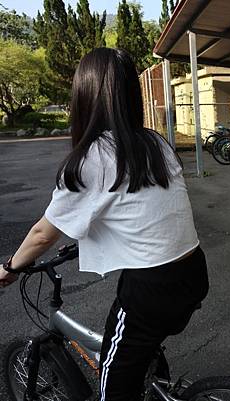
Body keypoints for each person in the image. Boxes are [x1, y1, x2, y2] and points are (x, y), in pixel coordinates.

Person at [0, 48, 209, 401]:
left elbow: (42, 234)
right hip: (192, 273)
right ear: (131, 94)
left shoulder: (93, 158)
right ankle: (154, 380)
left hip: (150, 293)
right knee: (140, 348)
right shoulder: (155, 143)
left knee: (112, 390)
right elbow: (144, 212)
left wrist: (9, 268)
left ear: (85, 95)